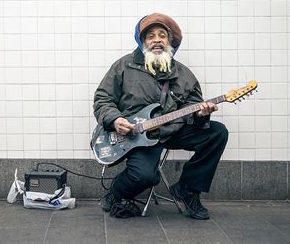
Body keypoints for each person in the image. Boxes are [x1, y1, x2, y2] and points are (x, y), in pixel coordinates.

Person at [93, 13, 228, 219]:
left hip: (173, 131)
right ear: (143, 42)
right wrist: (114, 119)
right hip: (137, 135)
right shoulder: (123, 66)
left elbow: (193, 108)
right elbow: (103, 99)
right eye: (151, 36)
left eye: (162, 35)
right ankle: (116, 192)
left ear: (170, 41)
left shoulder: (184, 75)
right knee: (144, 176)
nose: (157, 39)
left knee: (217, 132)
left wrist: (201, 114)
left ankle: (188, 189)